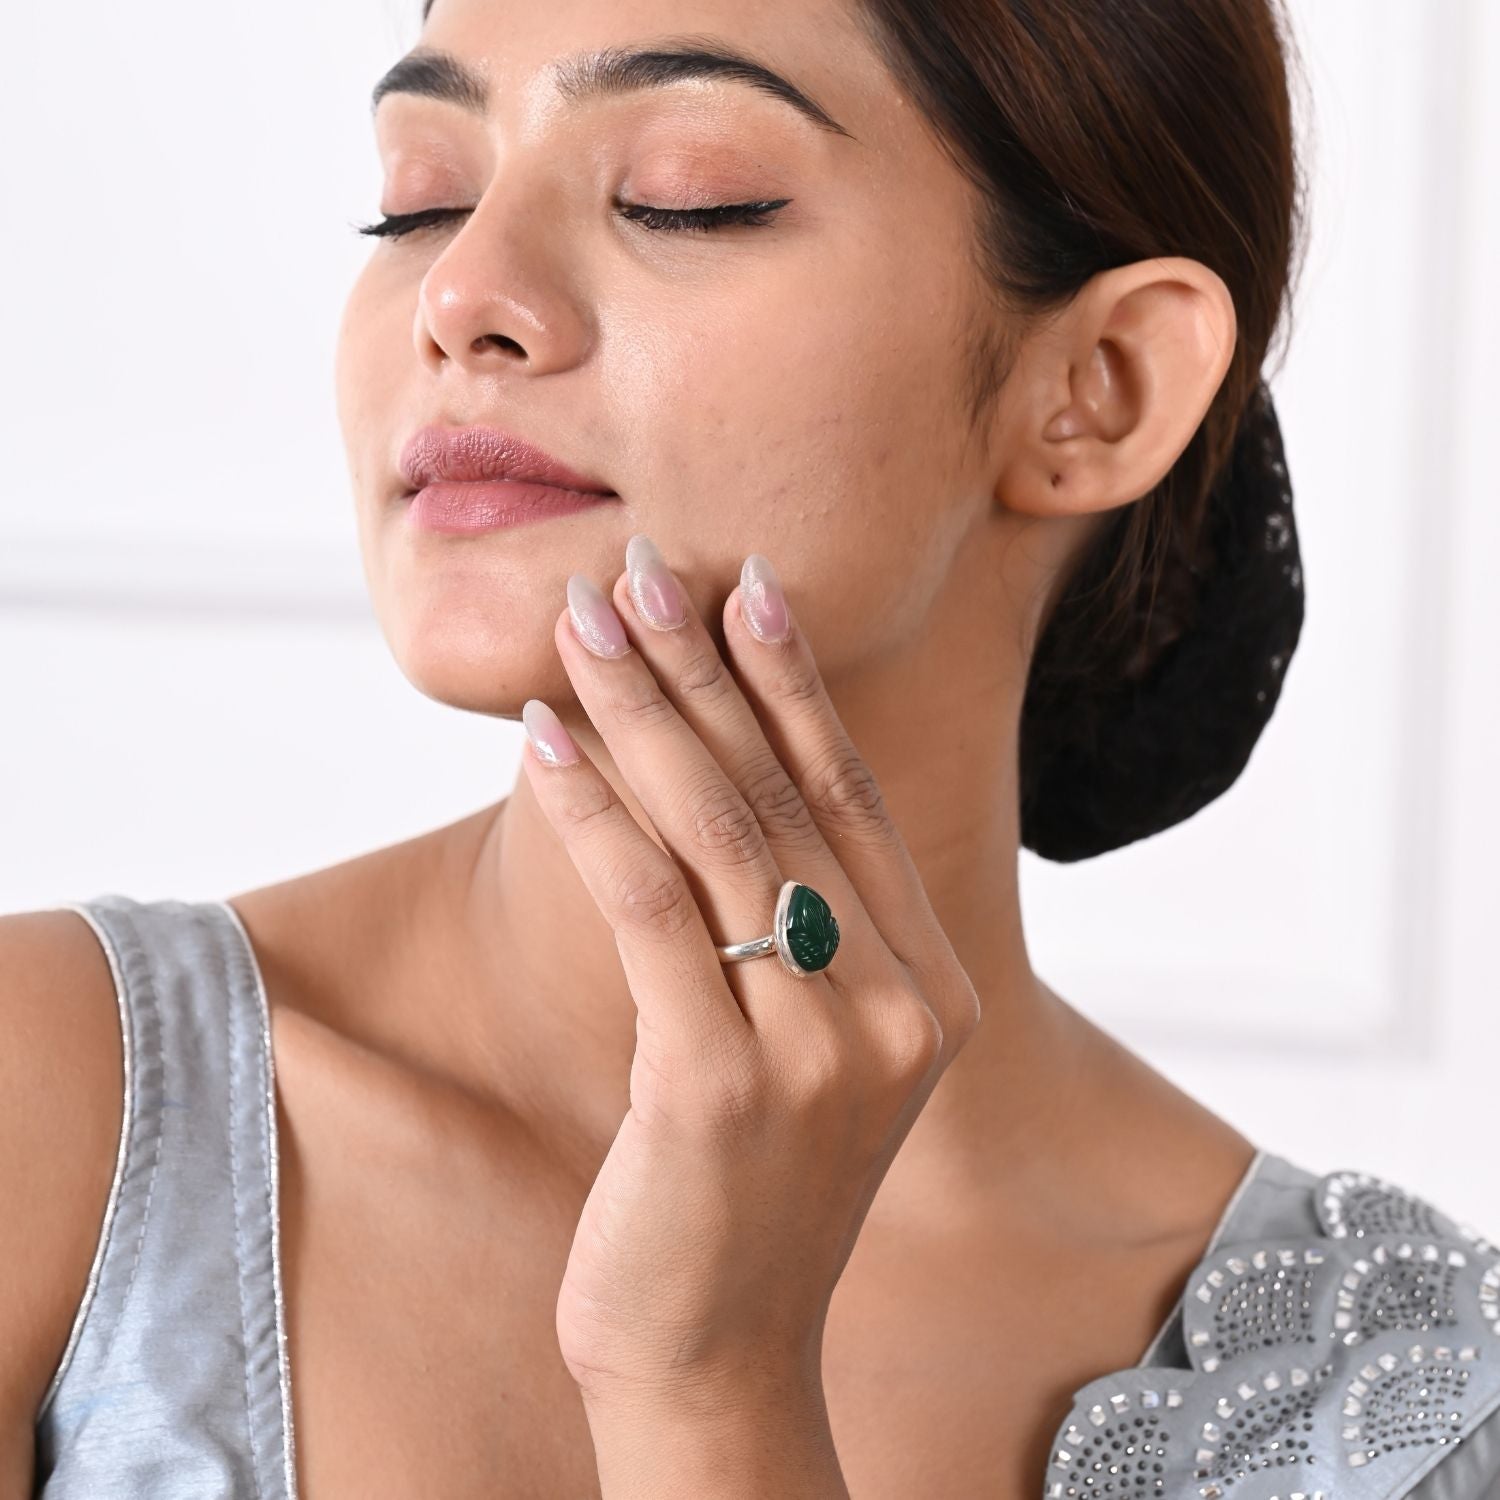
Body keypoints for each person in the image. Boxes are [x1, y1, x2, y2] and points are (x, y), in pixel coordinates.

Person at [5, 0, 1497, 1495]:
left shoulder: (1411, 1419)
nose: (459, 293)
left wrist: (705, 1387)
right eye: (420, 197)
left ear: (1098, 385)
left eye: (685, 195)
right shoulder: (49, 1110)